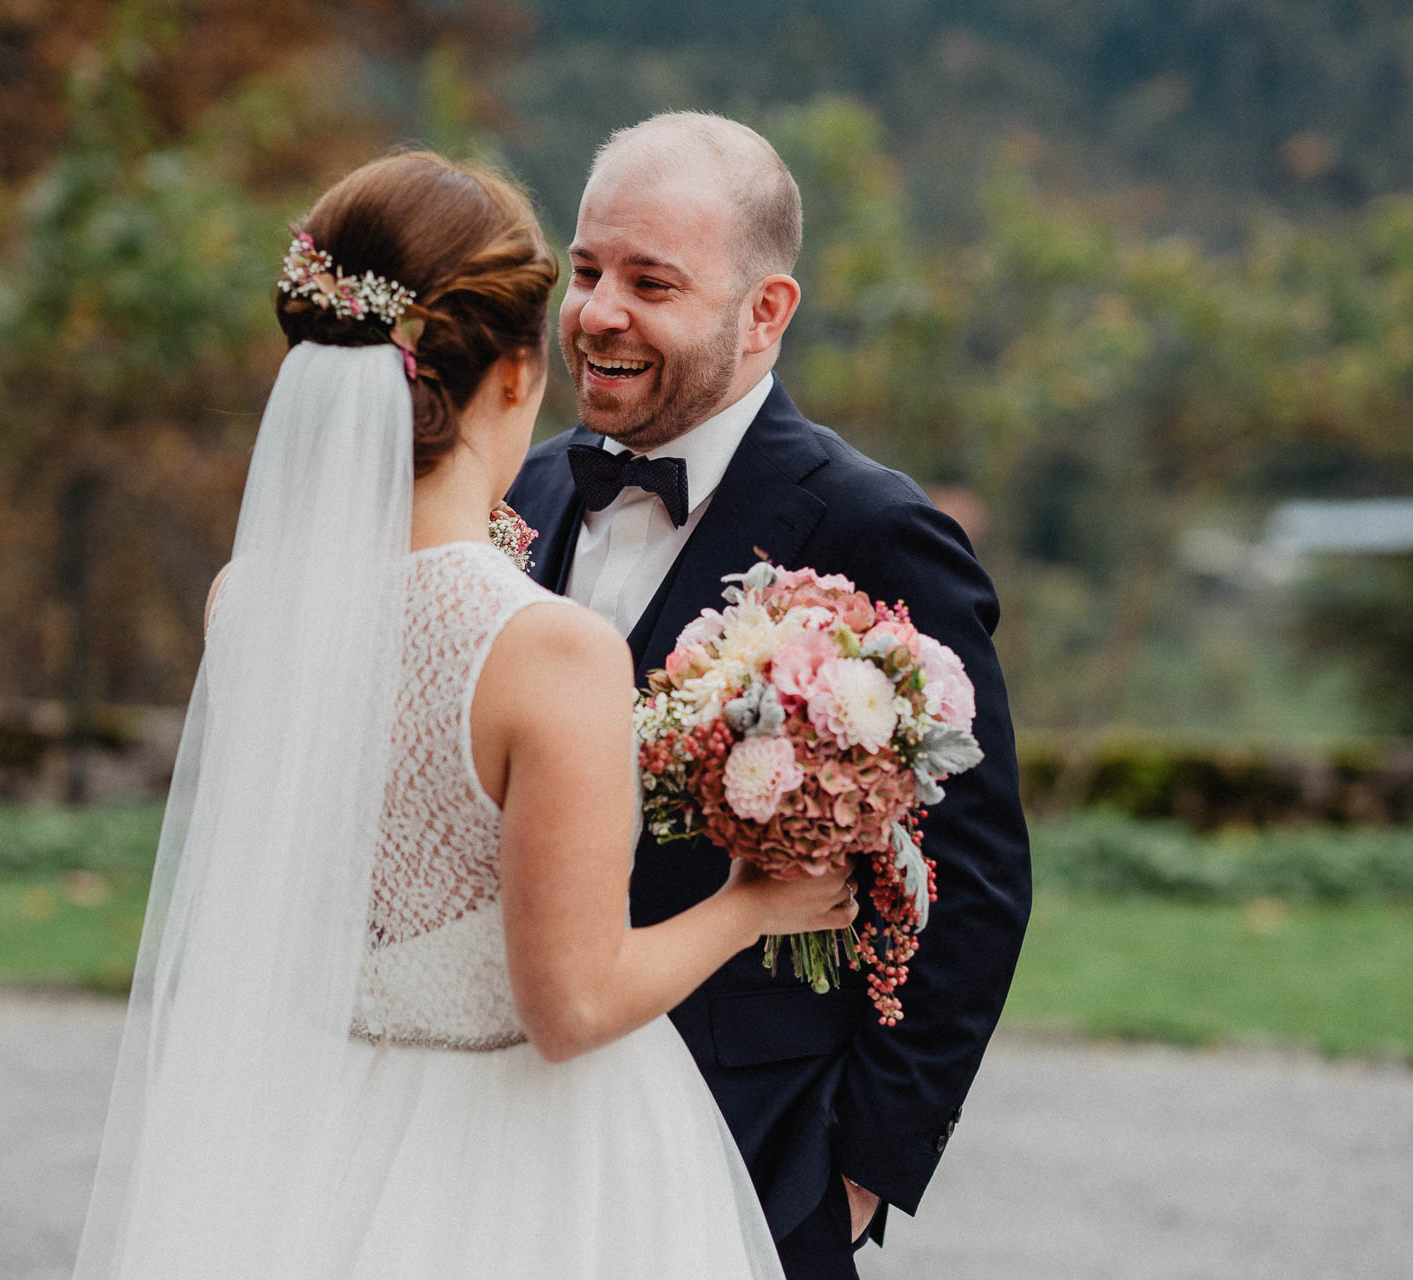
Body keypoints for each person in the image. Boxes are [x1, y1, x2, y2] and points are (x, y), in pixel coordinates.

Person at [70, 151, 858, 1279]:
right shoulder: (546, 649)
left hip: (316, 1129)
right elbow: (573, 1004)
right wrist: (755, 904)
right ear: (513, 370)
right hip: (533, 1166)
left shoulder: (244, 602)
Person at [504, 112, 1034, 1280]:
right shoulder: (526, 490)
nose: (596, 313)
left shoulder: (873, 529)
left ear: (765, 312)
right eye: (587, 270)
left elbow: (979, 879)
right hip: (508, 1127)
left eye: (651, 281)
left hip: (754, 1150)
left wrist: (856, 1169)